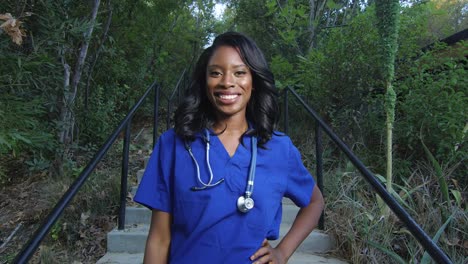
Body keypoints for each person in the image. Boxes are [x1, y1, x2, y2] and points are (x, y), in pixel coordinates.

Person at [134, 31, 324, 264]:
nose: (226, 82)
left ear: (253, 81)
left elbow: (315, 202)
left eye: (240, 72)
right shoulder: (173, 145)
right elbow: (159, 239)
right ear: (204, 82)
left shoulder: (279, 148)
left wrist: (282, 252)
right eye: (215, 73)